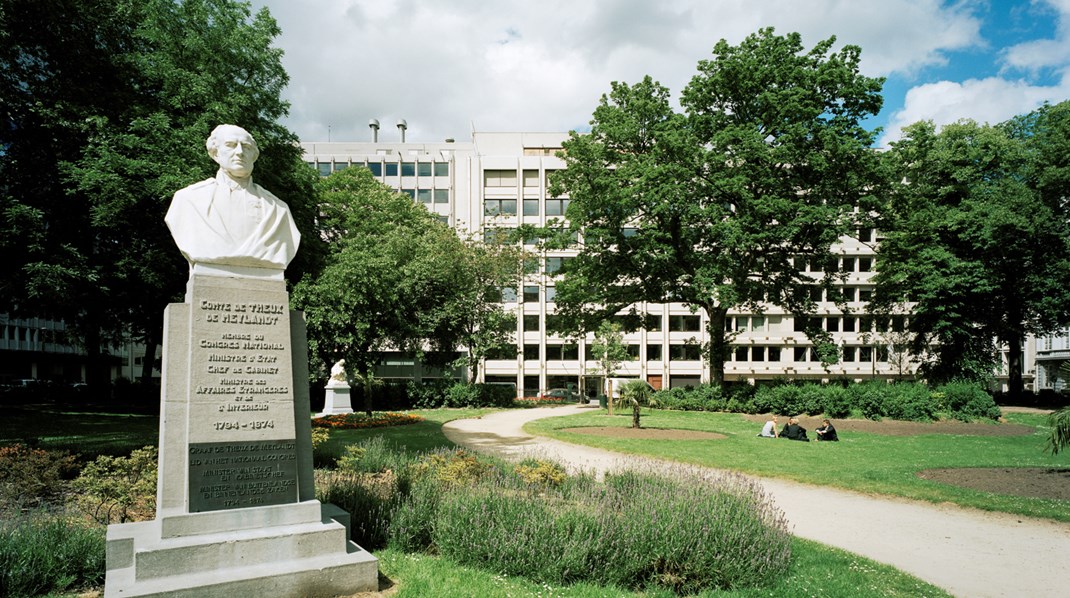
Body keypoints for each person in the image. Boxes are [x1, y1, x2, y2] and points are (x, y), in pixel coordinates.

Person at [165, 124, 301, 271]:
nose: (239, 152)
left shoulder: (277, 209)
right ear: (216, 153)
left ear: (254, 156)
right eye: (230, 145)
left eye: (246, 147)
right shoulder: (189, 199)